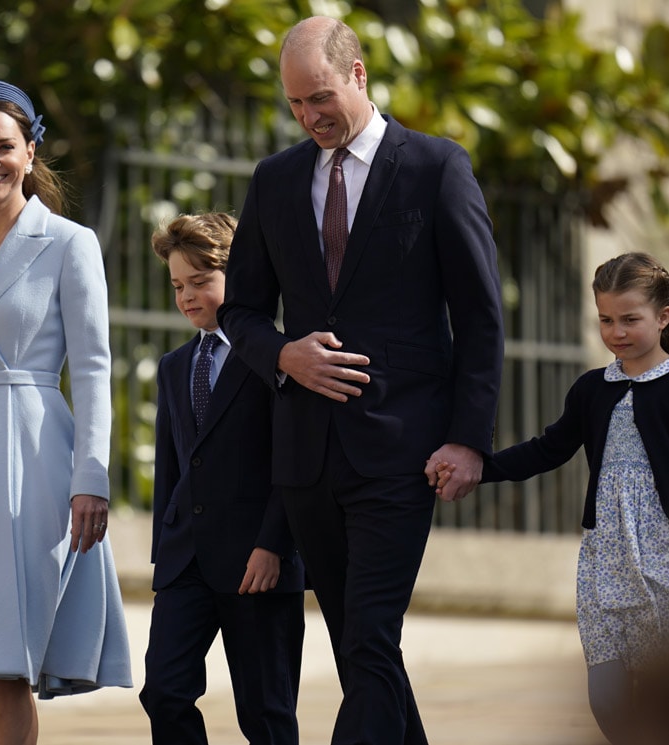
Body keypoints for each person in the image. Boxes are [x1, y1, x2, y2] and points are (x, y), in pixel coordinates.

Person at [217, 16, 504, 745]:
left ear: (358, 74)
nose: (310, 117)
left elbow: (479, 318)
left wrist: (467, 440)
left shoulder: (437, 167)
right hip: (307, 459)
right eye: (294, 105)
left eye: (319, 97)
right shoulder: (275, 180)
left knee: (371, 634)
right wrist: (283, 354)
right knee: (359, 648)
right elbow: (243, 308)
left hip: (401, 452)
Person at [0, 79, 132, 745]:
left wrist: (90, 476)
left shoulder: (70, 243)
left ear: (30, 149)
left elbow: (94, 367)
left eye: (5, 146)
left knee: (5, 665)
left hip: (33, 465)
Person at [432, 252, 669, 744]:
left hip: (665, 557)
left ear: (663, 317)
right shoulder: (591, 390)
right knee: (607, 698)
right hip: (608, 562)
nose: (616, 332)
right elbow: (548, 450)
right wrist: (478, 467)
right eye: (605, 319)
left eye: (630, 319)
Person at [138, 212, 304, 745]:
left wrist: (273, 545)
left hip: (260, 562)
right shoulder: (173, 366)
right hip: (186, 560)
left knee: (266, 714)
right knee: (163, 691)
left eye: (201, 282)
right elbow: (173, 467)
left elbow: (296, 462)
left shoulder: (281, 357)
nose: (187, 296)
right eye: (177, 285)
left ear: (242, 277)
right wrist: (165, 556)